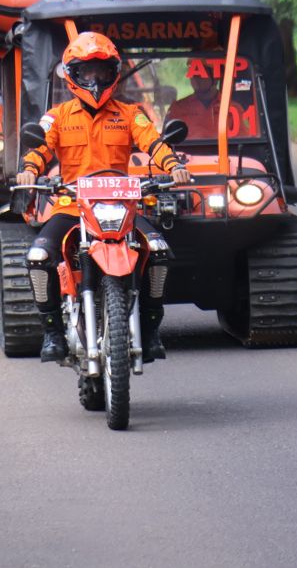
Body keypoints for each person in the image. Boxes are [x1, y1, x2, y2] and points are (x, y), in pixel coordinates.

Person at [16, 32, 191, 363]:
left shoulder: (130, 113)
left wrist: (174, 166)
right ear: (72, 75)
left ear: (114, 73)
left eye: (102, 71)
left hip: (121, 206)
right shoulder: (57, 116)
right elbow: (39, 149)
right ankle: (52, 333)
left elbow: (153, 142)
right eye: (87, 71)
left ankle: (151, 330)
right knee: (38, 256)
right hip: (72, 206)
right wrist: (28, 170)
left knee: (159, 251)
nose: (95, 79)